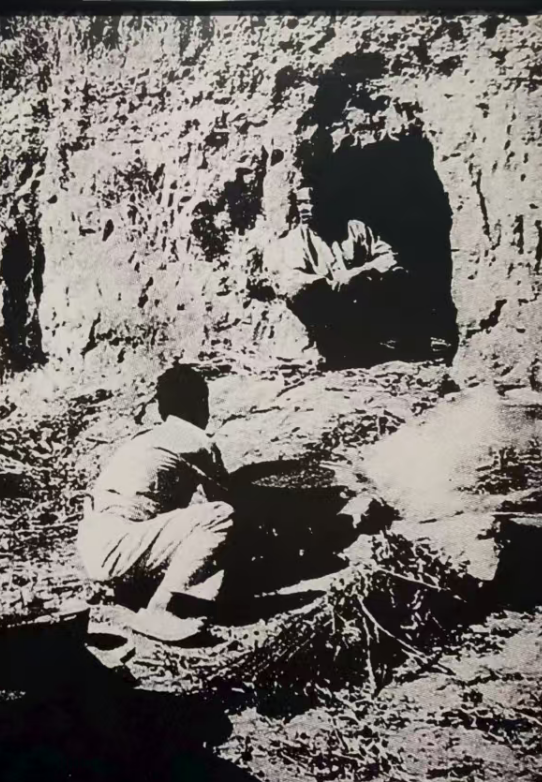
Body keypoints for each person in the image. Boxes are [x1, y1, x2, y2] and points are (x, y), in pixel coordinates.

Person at [76, 365, 235, 643]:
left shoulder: (145, 439)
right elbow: (229, 496)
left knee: (173, 520)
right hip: (119, 546)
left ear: (161, 409)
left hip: (94, 546)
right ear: (201, 404)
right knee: (220, 516)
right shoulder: (194, 438)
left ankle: (128, 593)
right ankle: (162, 610)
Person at [265, 187, 436, 369]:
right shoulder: (294, 241)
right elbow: (293, 279)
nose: (306, 208)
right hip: (330, 308)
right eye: (301, 203)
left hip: (364, 300)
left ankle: (407, 342)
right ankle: (336, 349)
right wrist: (329, 283)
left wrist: (358, 273)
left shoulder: (355, 229)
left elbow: (389, 257)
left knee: (400, 275)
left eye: (312, 202)